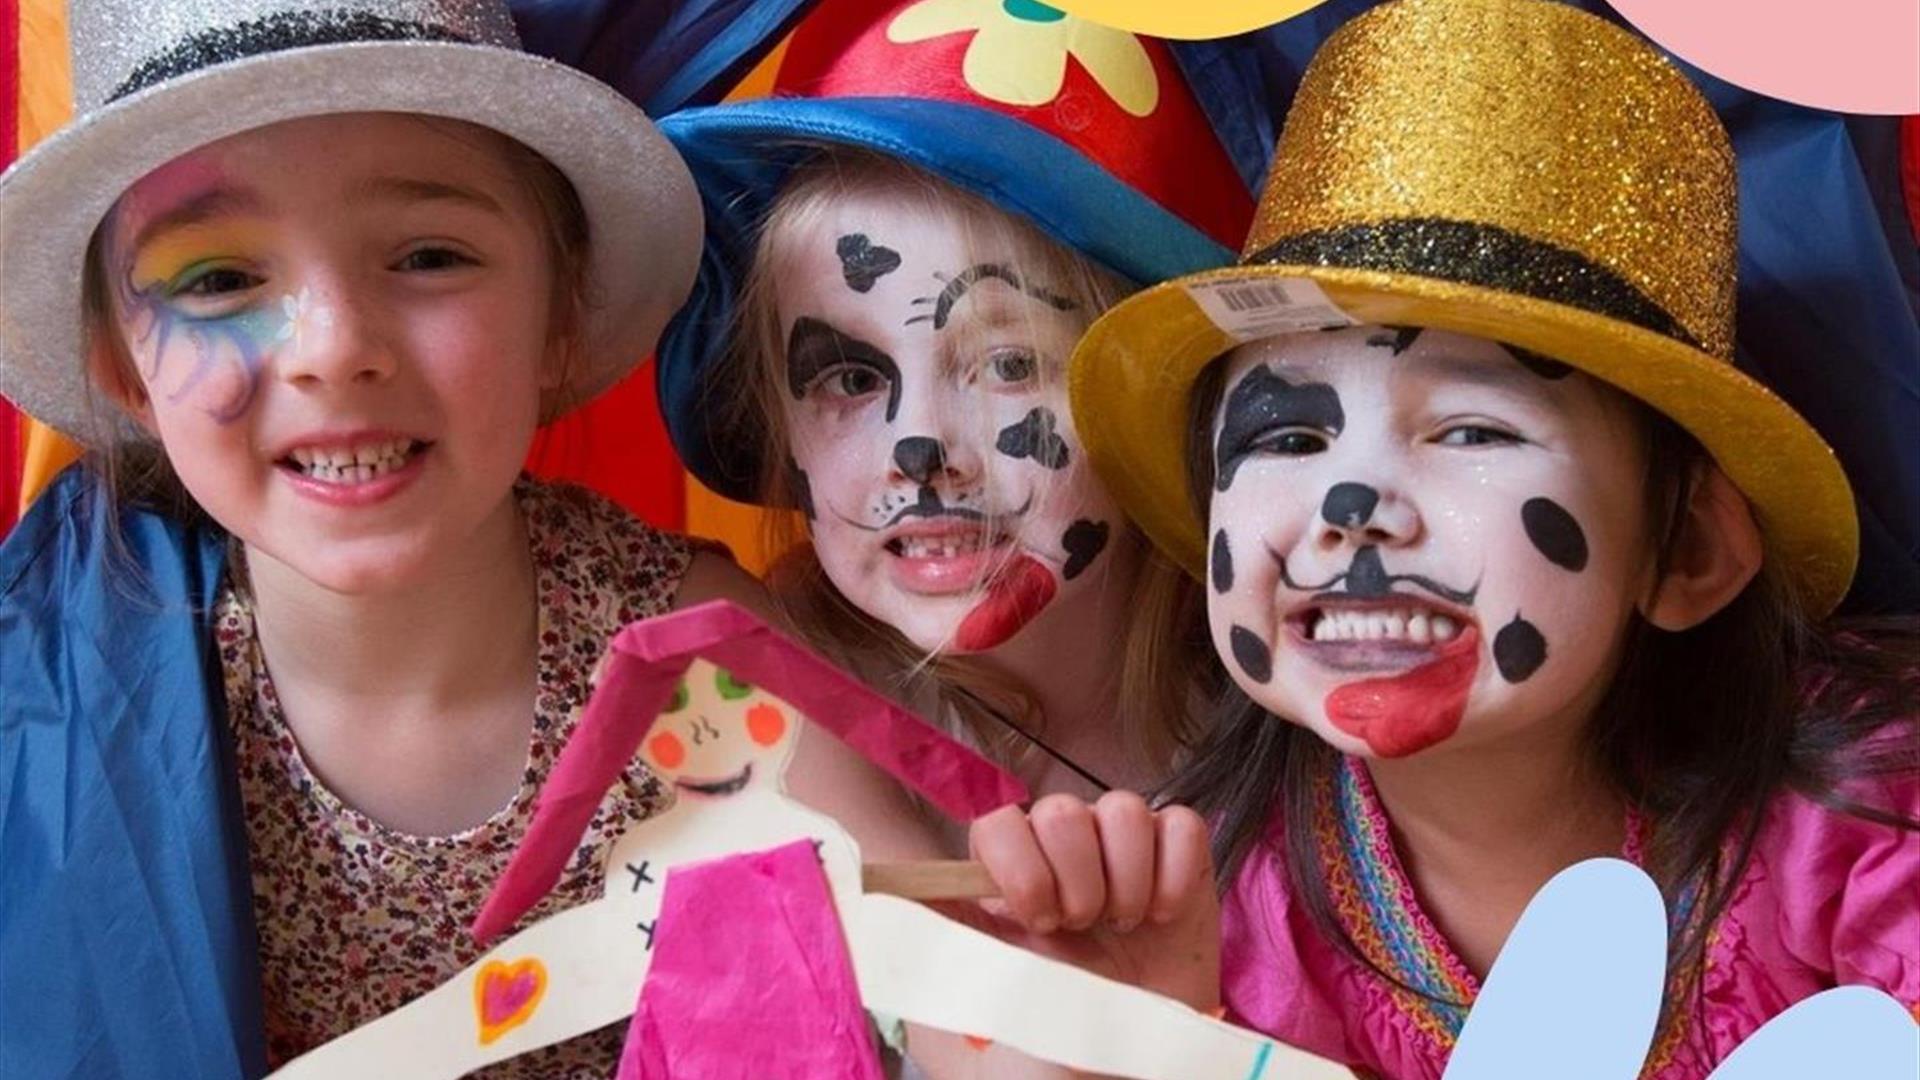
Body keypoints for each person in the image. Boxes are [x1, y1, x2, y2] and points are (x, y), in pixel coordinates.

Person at [1032, 0, 1917, 1075]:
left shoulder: (1867, 818)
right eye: (1289, 433)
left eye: (1472, 429)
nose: (1351, 502)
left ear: (1686, 549)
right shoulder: (1221, 914)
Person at [0, 1, 762, 1075]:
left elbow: (954, 990)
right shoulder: (56, 698)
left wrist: (1040, 917)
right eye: (221, 280)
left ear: (558, 316)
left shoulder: (701, 655)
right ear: (128, 373)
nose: (335, 349)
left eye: (427, 255)